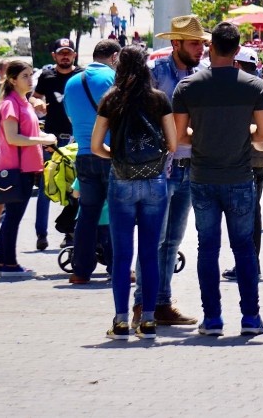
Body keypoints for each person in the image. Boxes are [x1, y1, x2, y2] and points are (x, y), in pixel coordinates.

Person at [173, 22, 263, 337]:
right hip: (240, 176)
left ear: (210, 47)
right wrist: (244, 131)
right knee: (244, 248)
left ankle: (212, 318)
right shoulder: (255, 86)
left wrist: (204, 134)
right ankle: (250, 317)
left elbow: (179, 137)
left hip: (202, 176)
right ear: (238, 50)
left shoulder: (188, 87)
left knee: (207, 248)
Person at [91, 47, 177, 340]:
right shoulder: (159, 99)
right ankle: (149, 320)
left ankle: (120, 321)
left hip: (122, 180)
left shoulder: (111, 99)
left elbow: (95, 146)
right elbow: (173, 144)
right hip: (155, 180)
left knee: (122, 254)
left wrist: (117, 157)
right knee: (150, 253)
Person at [130, 15, 209, 328]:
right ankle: (142, 304)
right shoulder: (155, 73)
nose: (200, 48)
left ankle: (161, 302)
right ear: (176, 43)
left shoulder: (201, 74)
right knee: (154, 239)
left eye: (202, 43)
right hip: (161, 168)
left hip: (190, 166)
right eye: (194, 43)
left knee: (172, 241)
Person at [0, 61, 57, 278]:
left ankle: (3, 263)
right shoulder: (11, 104)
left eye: (31, 75)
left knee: (12, 217)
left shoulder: (23, 102)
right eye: (24, 76)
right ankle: (9, 265)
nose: (30, 80)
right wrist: (43, 139)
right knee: (13, 217)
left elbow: (27, 133)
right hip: (15, 168)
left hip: (25, 168)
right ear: (12, 80)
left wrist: (44, 137)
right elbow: (13, 138)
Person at [63, 39, 121, 283]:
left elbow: (69, 114)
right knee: (117, 211)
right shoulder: (113, 78)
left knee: (87, 213)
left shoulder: (72, 81)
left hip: (84, 154)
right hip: (109, 152)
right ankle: (117, 268)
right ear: (114, 57)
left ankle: (80, 270)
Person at [223, 47, 263, 282]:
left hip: (246, 157)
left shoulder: (242, 86)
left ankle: (248, 264)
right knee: (253, 210)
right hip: (262, 157)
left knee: (246, 213)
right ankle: (251, 263)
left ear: (237, 64)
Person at [32, 38, 83, 251]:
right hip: (51, 140)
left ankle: (69, 233)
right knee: (46, 187)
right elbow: (34, 97)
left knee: (73, 187)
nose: (65, 56)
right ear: (54, 55)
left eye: (68, 52)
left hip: (74, 138)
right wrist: (37, 103)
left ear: (74, 55)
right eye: (61, 52)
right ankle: (41, 234)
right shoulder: (47, 76)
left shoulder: (81, 75)